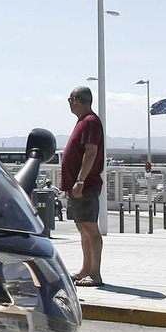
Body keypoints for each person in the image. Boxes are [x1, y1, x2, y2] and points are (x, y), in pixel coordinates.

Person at [62, 86, 105, 286]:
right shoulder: (83, 122)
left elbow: (91, 152)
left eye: (70, 99)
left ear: (77, 100)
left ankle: (95, 274)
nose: (69, 103)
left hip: (85, 185)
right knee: (82, 227)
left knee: (90, 227)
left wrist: (80, 180)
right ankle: (86, 269)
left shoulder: (90, 122)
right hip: (77, 186)